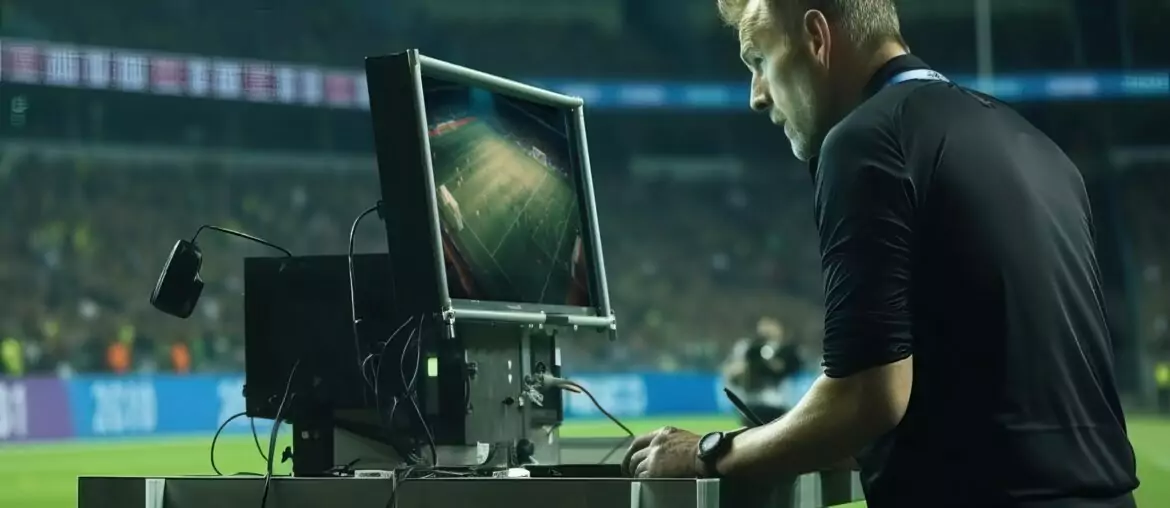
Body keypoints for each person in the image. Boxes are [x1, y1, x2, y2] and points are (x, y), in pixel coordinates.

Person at [621, 1, 1139, 506]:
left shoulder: (865, 140)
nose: (757, 95)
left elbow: (869, 397)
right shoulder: (1038, 145)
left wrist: (709, 454)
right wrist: (798, 442)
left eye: (759, 61)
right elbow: (990, 391)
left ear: (817, 38)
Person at [721, 317, 803, 425]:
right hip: (753, 402)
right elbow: (733, 372)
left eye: (770, 327)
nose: (766, 330)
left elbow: (790, 370)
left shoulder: (788, 351)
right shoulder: (750, 348)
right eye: (763, 327)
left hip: (777, 402)